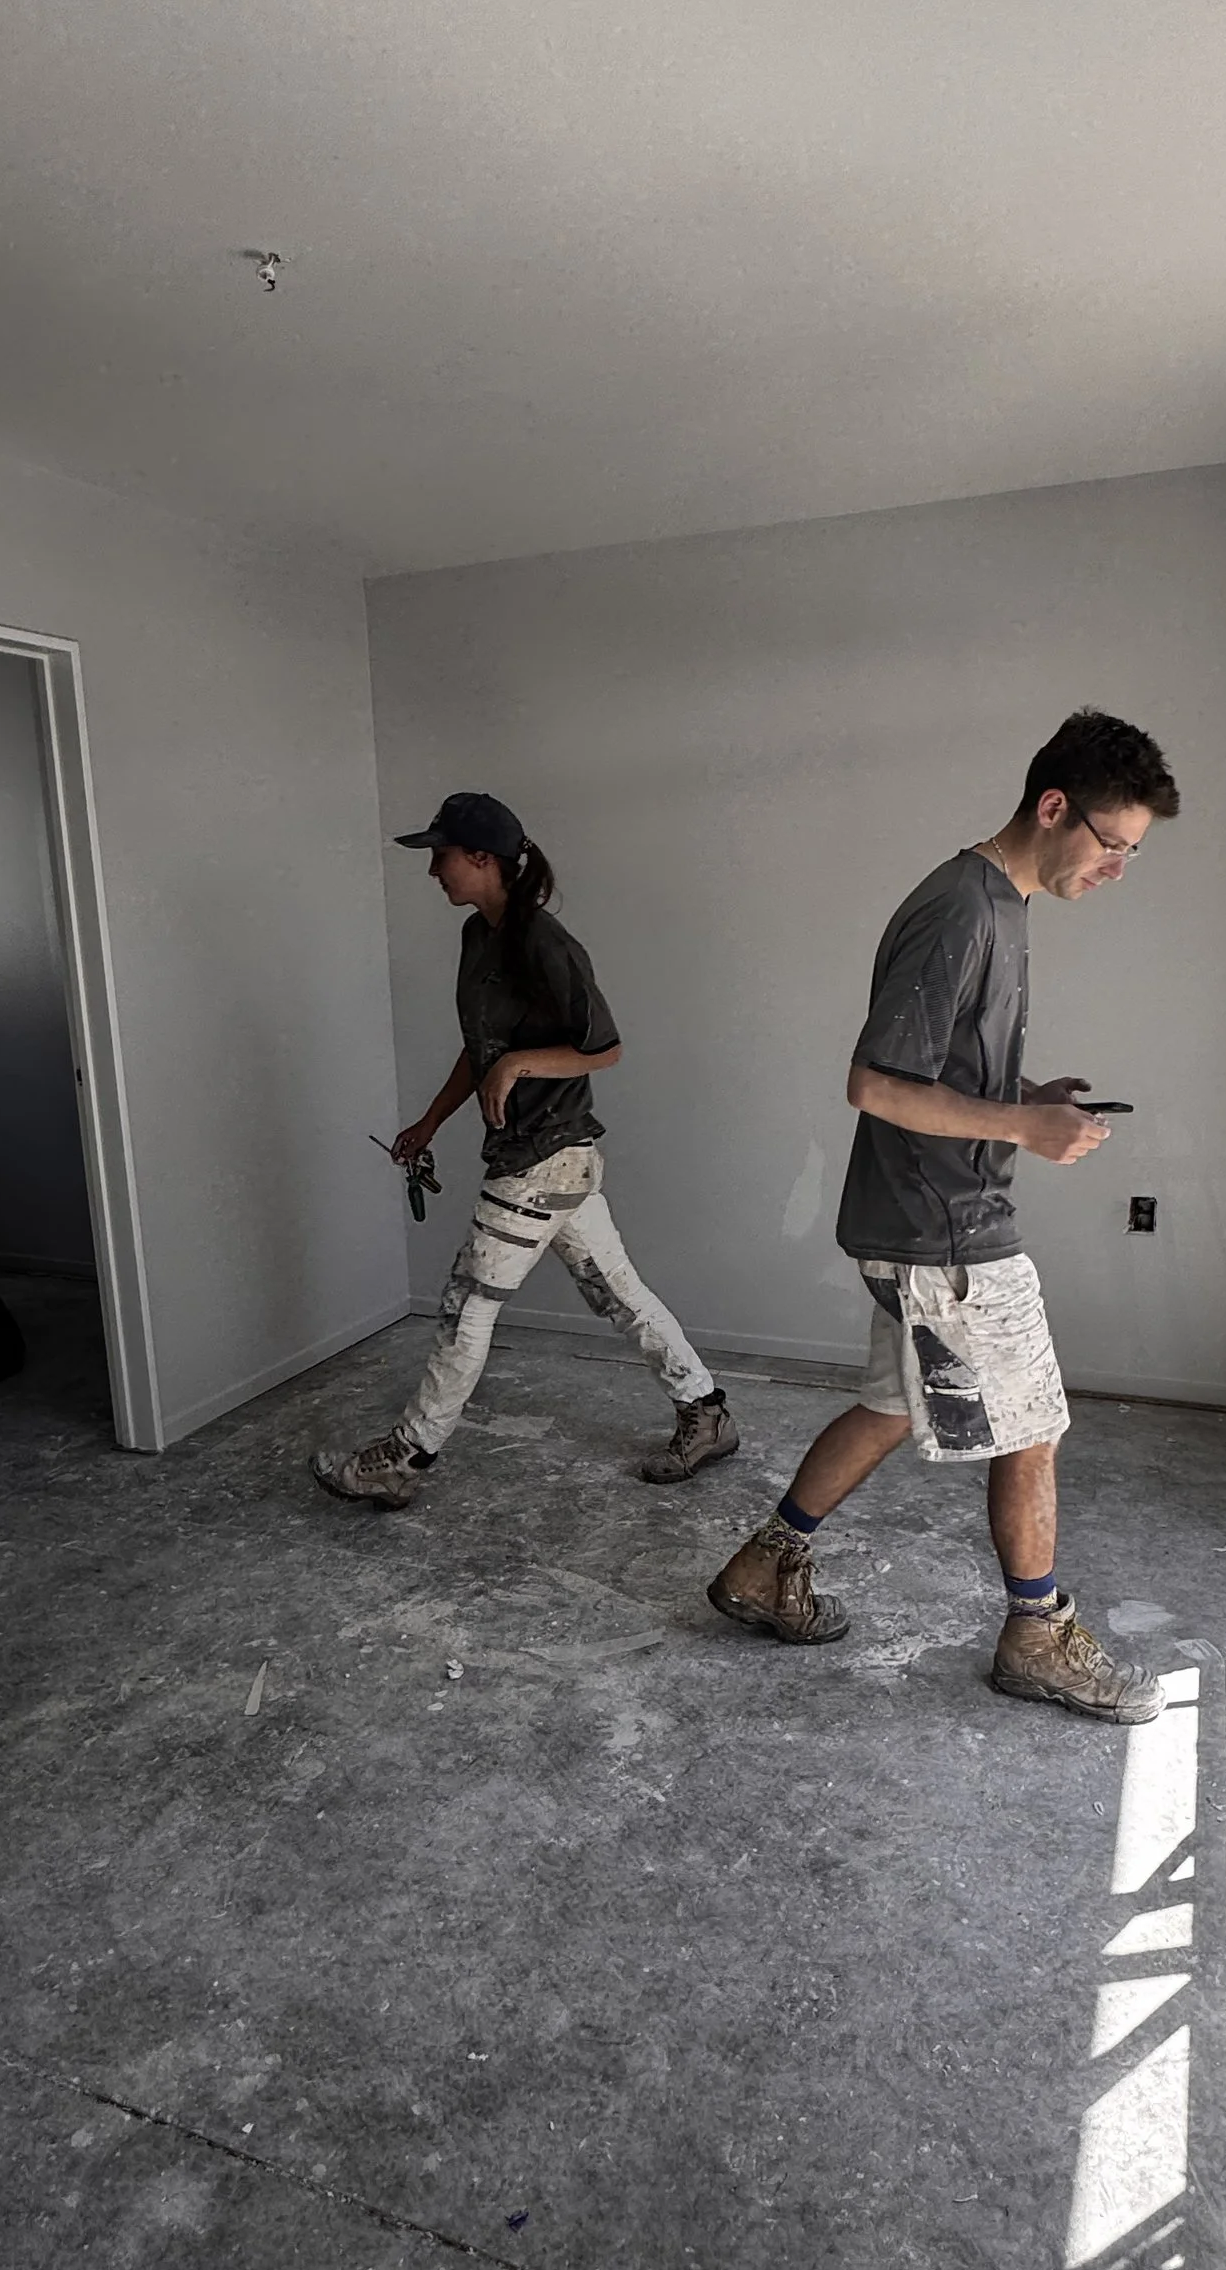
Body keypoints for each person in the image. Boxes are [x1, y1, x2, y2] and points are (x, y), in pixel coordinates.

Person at [705, 708, 1178, 1719]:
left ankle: (763, 1565)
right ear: (1054, 809)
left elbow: (935, 1072)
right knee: (1034, 1429)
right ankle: (1036, 1637)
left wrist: (1025, 1096)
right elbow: (874, 1085)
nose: (1117, 870)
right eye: (1112, 845)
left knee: (888, 1403)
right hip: (944, 1229)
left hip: (921, 1217)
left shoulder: (1004, 903)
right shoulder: (961, 907)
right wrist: (1020, 1124)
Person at [313, 791, 738, 1505]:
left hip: (544, 1159)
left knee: (464, 1306)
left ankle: (405, 1459)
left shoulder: (546, 943)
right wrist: (431, 1121)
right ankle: (707, 1410)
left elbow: (604, 1048)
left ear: (481, 859)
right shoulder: (477, 937)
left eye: (440, 856)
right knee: (621, 1292)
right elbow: (481, 1047)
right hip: (550, 1161)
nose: (432, 872)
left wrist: (520, 1065)